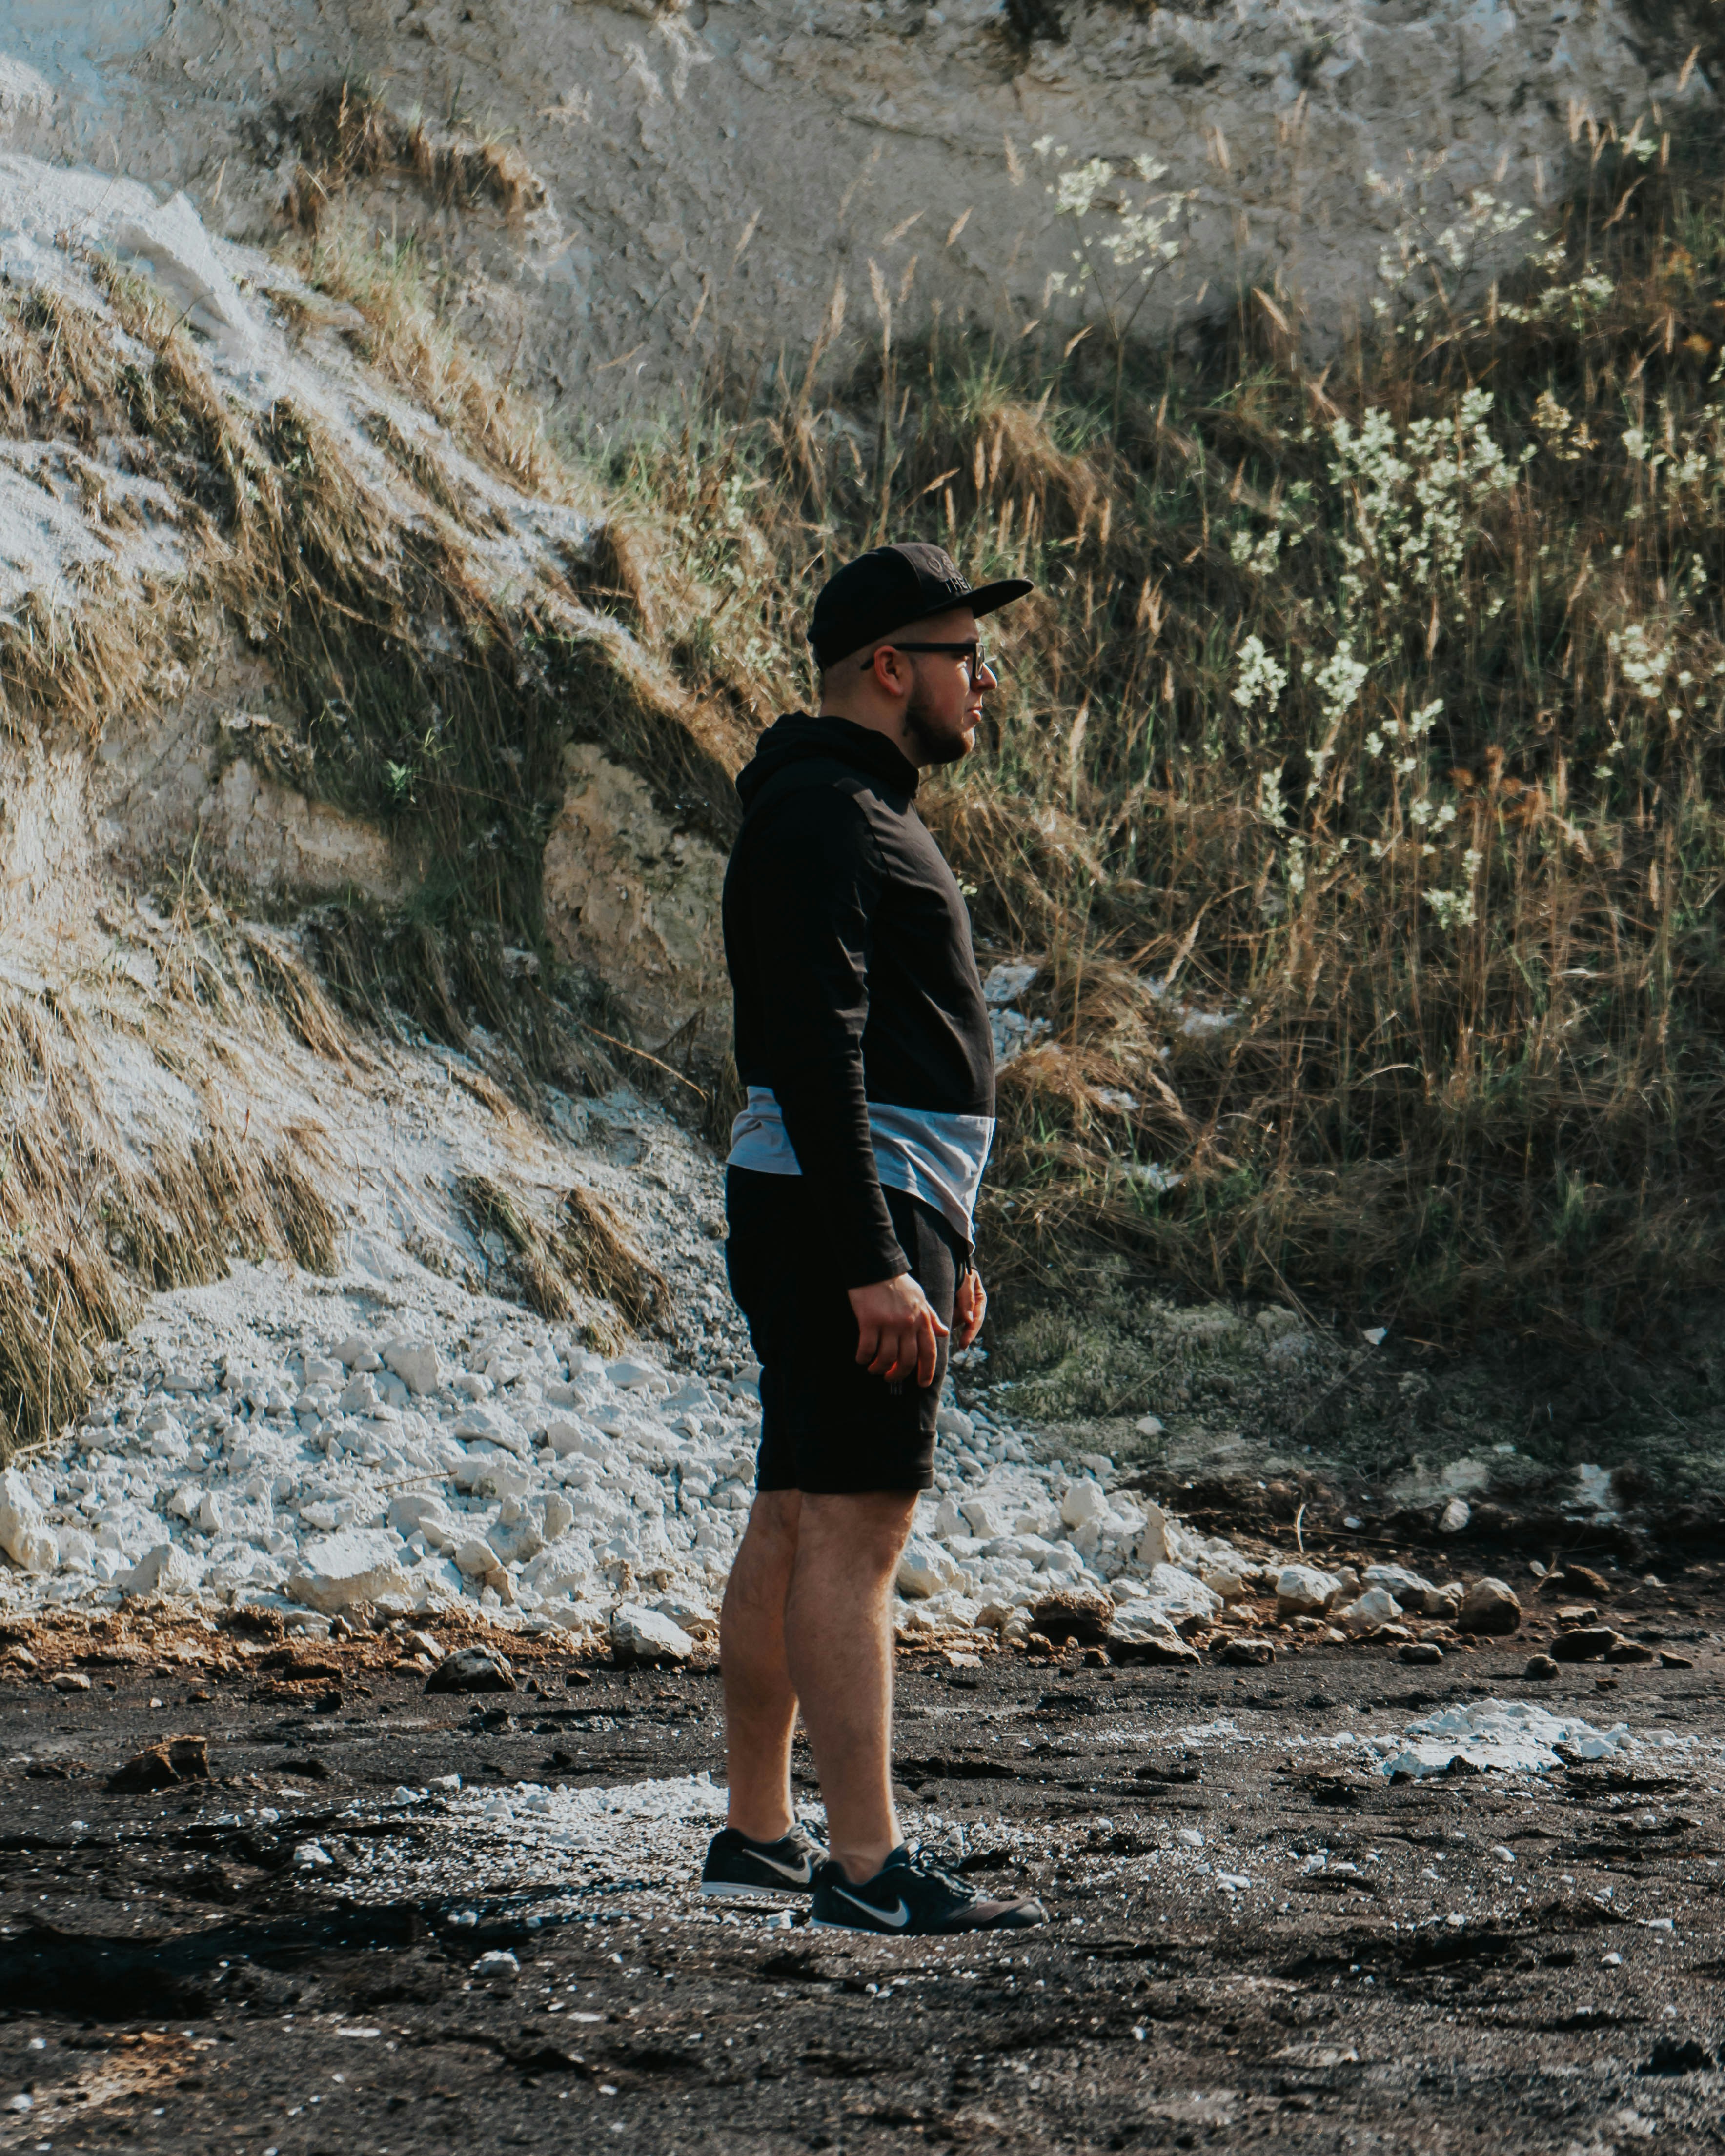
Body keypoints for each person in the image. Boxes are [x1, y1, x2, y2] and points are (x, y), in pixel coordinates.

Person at [699, 542, 1048, 1935]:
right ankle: (866, 1867)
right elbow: (819, 1052)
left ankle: (761, 1833)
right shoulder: (830, 817)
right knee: (856, 1529)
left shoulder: (834, 807)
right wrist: (879, 1258)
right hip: (847, 1210)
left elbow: (875, 1055)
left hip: (866, 1206)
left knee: (796, 1513)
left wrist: (935, 1244)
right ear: (889, 668)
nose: (984, 680)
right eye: (965, 655)